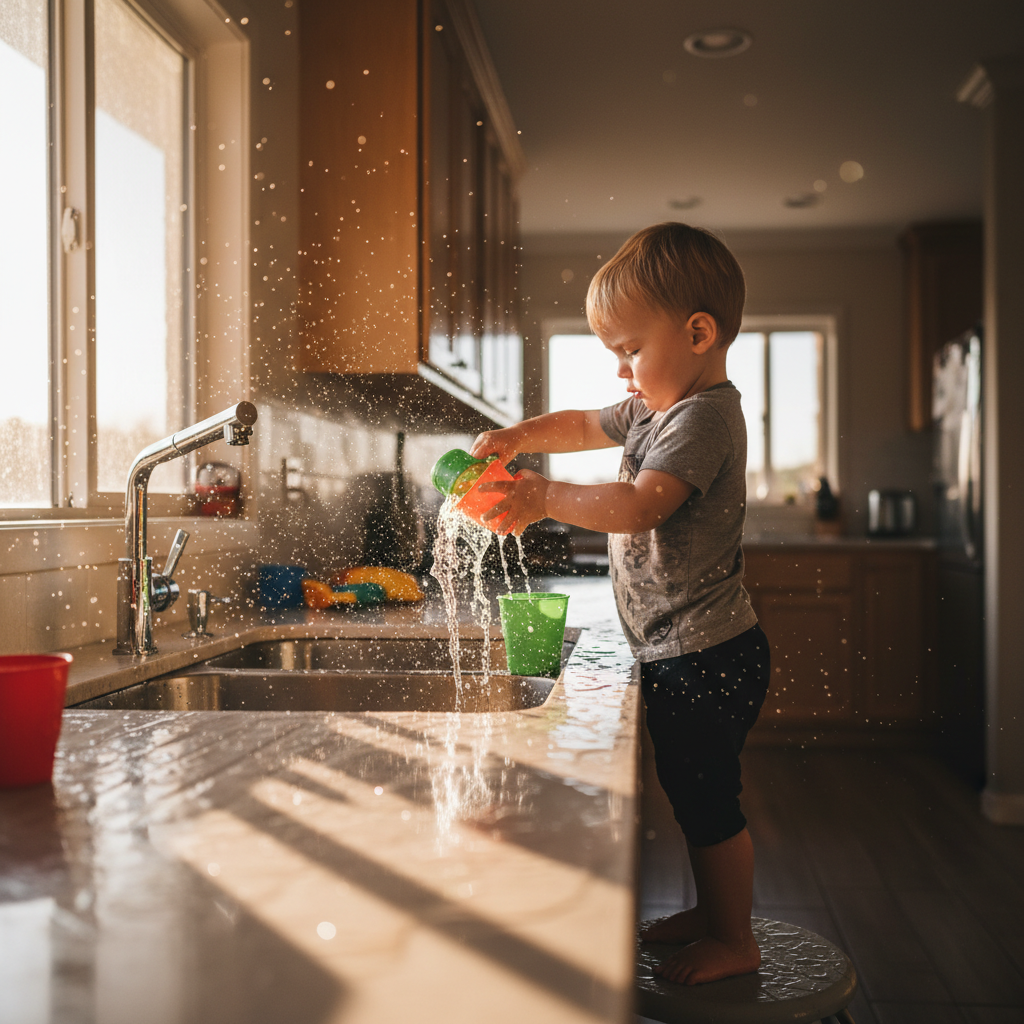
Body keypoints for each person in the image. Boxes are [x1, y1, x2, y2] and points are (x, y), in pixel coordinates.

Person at [470, 222, 770, 986]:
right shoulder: (653, 408)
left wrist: (540, 497)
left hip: (707, 652)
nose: (622, 372)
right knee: (689, 789)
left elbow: (641, 506)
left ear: (698, 333)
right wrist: (515, 439)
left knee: (707, 799)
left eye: (630, 350)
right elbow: (578, 425)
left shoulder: (703, 417)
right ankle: (714, 914)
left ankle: (735, 938)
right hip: (680, 647)